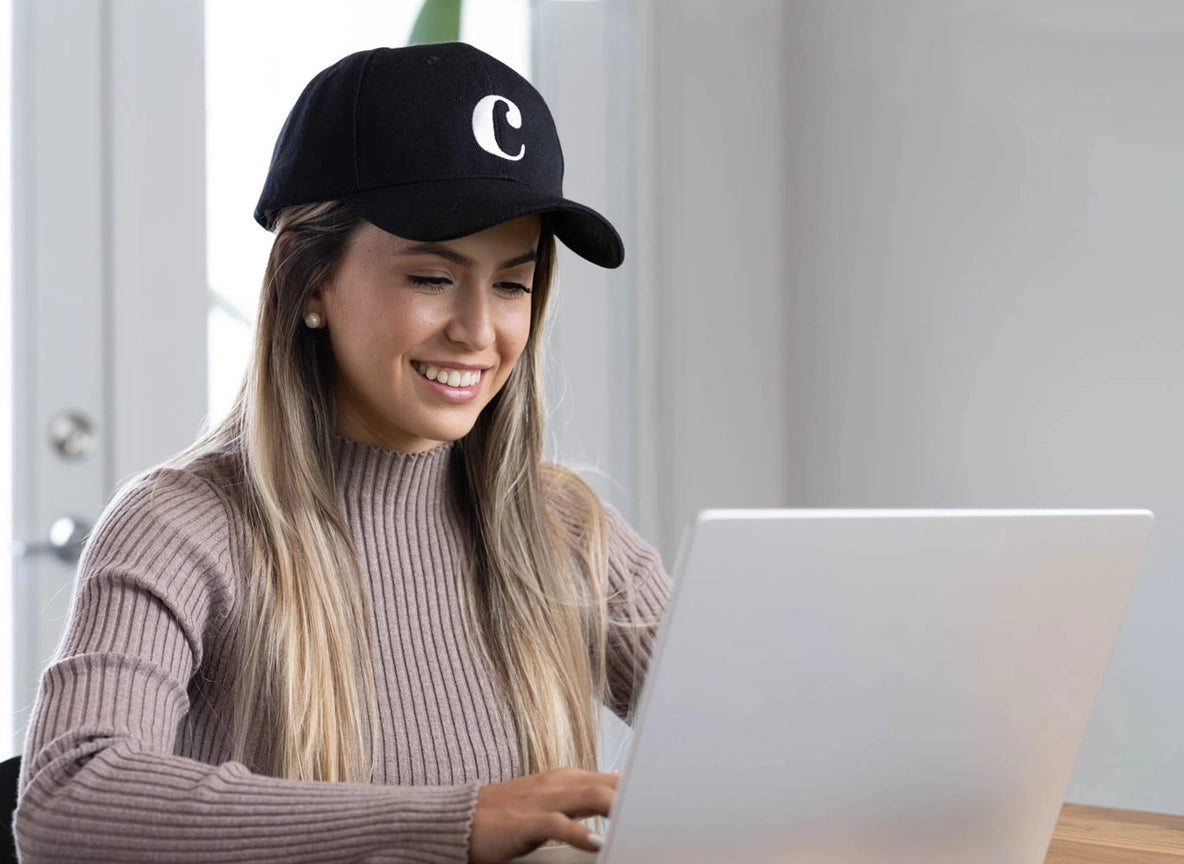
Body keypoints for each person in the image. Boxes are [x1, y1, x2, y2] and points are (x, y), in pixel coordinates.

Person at [14, 43, 670, 864]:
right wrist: (452, 823)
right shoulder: (179, 527)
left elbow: (765, 732)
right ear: (309, 280)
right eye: (433, 277)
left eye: (512, 283)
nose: (479, 331)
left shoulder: (568, 530)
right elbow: (70, 797)